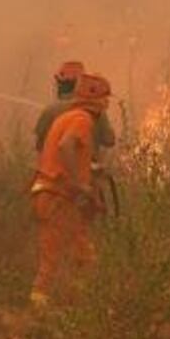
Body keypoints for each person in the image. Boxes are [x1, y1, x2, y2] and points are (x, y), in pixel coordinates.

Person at [28, 72, 112, 307]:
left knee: (68, 256)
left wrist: (91, 170)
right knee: (74, 259)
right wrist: (80, 185)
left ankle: (65, 307)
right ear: (100, 102)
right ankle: (64, 311)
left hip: (50, 196)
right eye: (106, 101)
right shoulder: (83, 120)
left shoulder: (67, 117)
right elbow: (66, 147)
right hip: (58, 197)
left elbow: (62, 153)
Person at [33, 60, 116, 156]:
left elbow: (39, 145)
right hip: (87, 167)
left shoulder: (50, 110)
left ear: (60, 84)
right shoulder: (96, 110)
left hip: (53, 168)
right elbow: (109, 140)